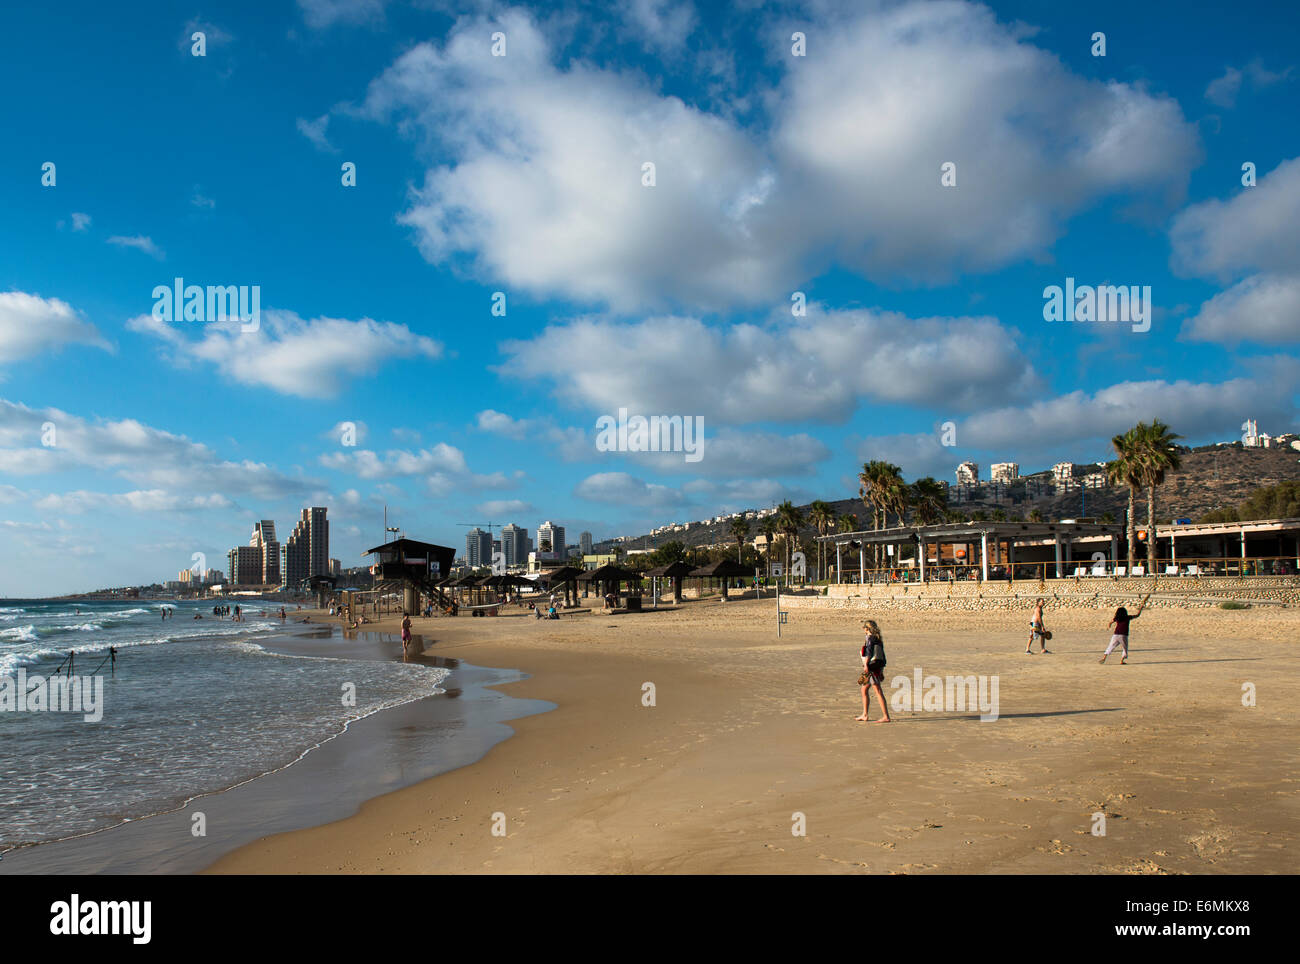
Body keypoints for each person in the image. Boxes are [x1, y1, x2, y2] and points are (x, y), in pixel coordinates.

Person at [854, 619, 892, 724]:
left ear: (866, 629)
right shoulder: (878, 638)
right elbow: (881, 656)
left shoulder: (870, 638)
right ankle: (865, 715)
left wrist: (866, 665)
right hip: (877, 667)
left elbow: (869, 653)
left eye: (864, 628)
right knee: (864, 690)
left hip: (871, 667)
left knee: (877, 691)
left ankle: (886, 716)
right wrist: (882, 670)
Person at [1100, 595, 1148, 664]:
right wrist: (1141, 608)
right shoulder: (1127, 617)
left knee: (1110, 646)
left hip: (1115, 634)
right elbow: (1137, 615)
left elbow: (1110, 622)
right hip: (1123, 635)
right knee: (1125, 649)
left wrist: (1109, 626)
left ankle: (1104, 658)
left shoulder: (1117, 618)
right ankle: (1121, 661)